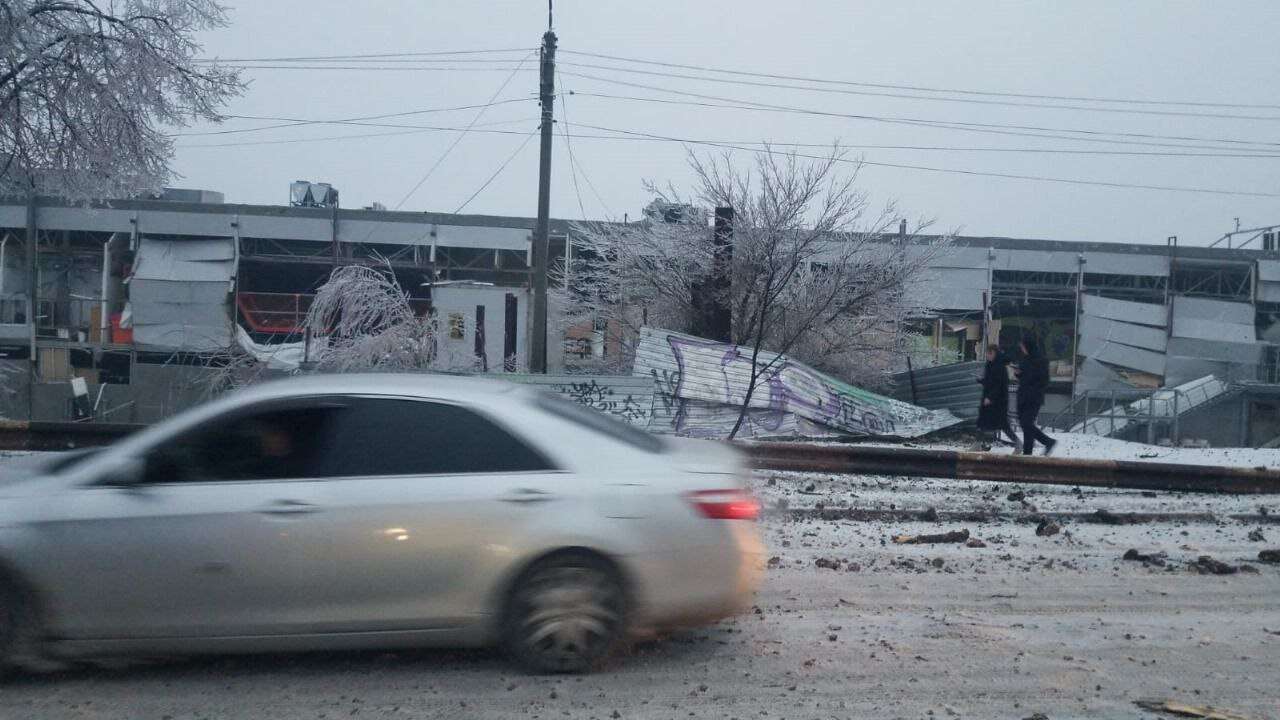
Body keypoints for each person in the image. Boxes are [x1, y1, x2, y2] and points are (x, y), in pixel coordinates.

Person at [1014, 335, 1056, 456]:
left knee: (1027, 423)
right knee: (1025, 425)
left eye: (1023, 346)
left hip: (1033, 398)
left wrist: (1026, 375)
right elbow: (1024, 376)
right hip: (1022, 397)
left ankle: (1048, 442)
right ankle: (1028, 453)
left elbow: (1043, 380)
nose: (1022, 349)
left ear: (1029, 346)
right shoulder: (1025, 359)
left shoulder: (1041, 360)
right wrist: (1018, 373)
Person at [976, 345, 1019, 447]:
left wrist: (990, 397)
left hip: (997, 402)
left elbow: (999, 384)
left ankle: (1018, 443)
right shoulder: (991, 364)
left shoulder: (999, 366)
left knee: (1002, 425)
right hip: (991, 399)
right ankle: (977, 444)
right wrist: (981, 380)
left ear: (994, 353)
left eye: (988, 353)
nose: (987, 356)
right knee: (982, 423)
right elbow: (991, 380)